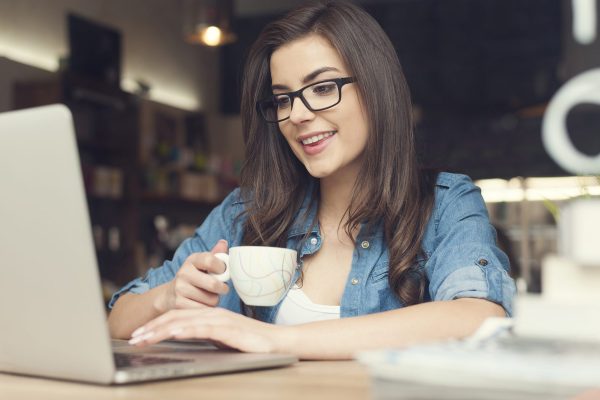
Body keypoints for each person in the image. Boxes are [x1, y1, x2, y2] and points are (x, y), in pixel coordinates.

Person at [108, 0, 516, 360]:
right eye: (283, 98)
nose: (298, 115)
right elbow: (116, 318)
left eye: (322, 88)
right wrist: (167, 297)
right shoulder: (244, 212)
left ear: (376, 89)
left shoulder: (444, 204)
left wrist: (272, 339)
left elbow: (479, 316)